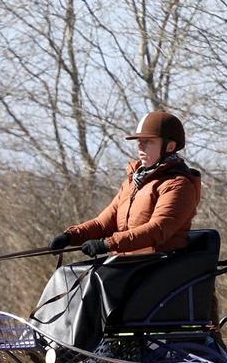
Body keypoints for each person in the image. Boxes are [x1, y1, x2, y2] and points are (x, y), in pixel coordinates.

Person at [49, 110, 201, 257]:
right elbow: (103, 224)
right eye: (139, 141)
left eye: (148, 141)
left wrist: (108, 244)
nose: (140, 146)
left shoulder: (178, 185)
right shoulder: (132, 183)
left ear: (170, 146)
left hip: (159, 263)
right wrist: (71, 236)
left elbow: (158, 230)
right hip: (128, 260)